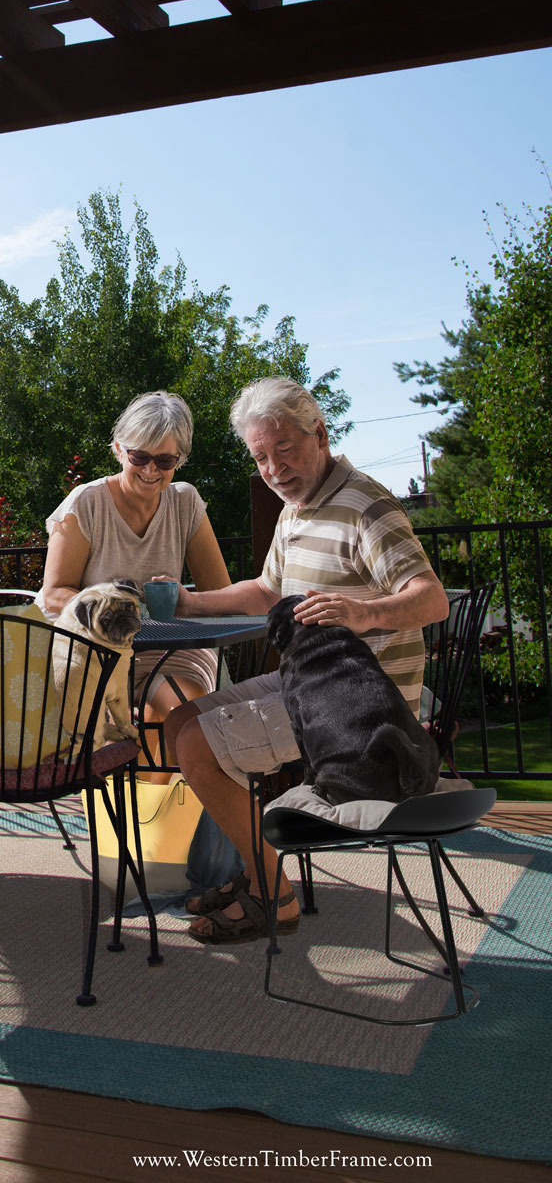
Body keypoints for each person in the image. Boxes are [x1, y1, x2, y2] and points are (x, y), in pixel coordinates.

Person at [164, 376, 449, 945]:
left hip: (361, 711)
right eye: (261, 456)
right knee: (178, 723)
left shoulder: (366, 505)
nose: (274, 468)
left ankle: (273, 897)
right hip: (307, 686)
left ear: (318, 433)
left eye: (285, 450)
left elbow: (432, 599)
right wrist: (186, 599)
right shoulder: (295, 509)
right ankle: (257, 868)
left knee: (197, 743)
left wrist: (362, 613)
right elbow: (269, 593)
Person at [36, 390, 236, 767]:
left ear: (180, 459)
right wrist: (121, 606)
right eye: (139, 456)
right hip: (100, 650)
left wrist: (185, 600)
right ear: (118, 449)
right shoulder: (87, 503)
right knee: (146, 722)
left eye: (165, 459)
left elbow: (220, 594)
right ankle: (143, 806)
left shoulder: (185, 502)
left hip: (170, 647)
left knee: (185, 710)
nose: (150, 470)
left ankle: (160, 808)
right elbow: (53, 594)